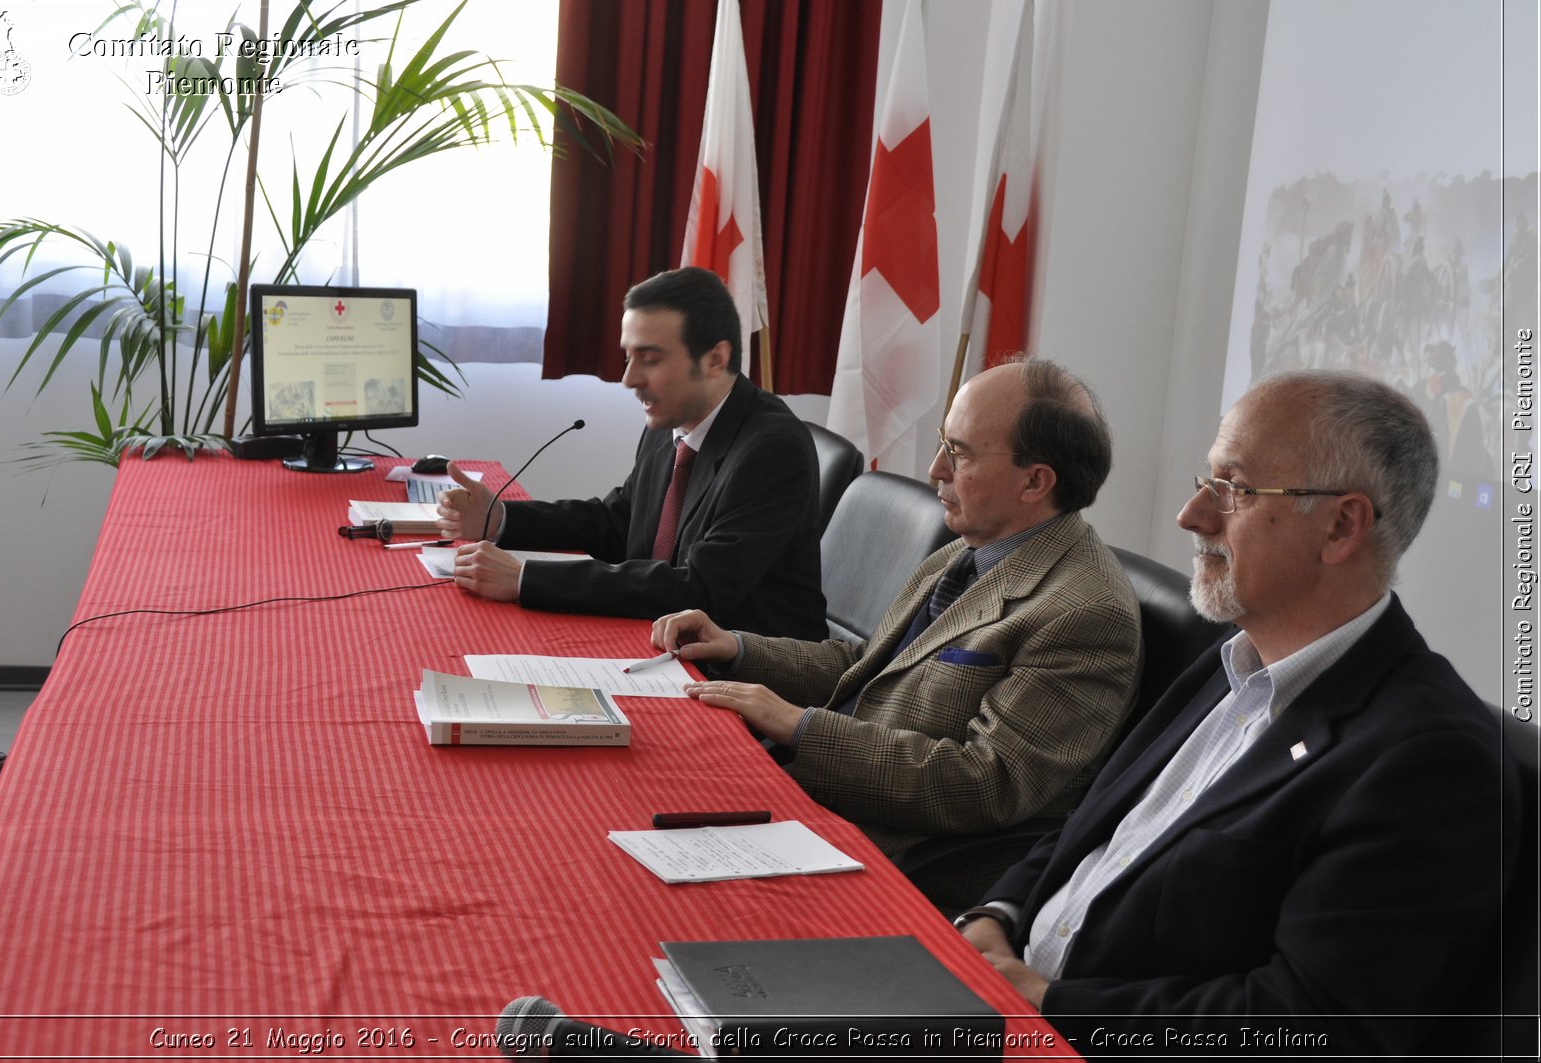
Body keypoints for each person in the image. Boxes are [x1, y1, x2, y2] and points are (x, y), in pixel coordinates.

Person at [955, 370, 1517, 1056]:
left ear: (1341, 525)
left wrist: (1047, 999)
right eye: (1206, 480)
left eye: (1236, 488)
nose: (1193, 514)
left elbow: (1311, 1025)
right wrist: (998, 913)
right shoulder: (1230, 658)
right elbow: (1095, 831)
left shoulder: (1429, 759)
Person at [652, 361, 1142, 881]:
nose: (935, 468)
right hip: (814, 794)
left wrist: (800, 726)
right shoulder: (968, 549)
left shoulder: (1085, 613)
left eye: (959, 452)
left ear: (1035, 481)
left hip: (885, 848)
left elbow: (985, 783)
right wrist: (736, 649)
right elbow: (869, 667)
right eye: (942, 443)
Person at [435, 267, 826, 640]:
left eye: (650, 359)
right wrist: (500, 519)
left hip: (747, 672)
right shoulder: (670, 423)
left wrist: (524, 578)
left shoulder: (772, 449)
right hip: (660, 640)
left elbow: (699, 588)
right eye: (628, 356)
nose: (628, 379)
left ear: (715, 360)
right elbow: (616, 523)